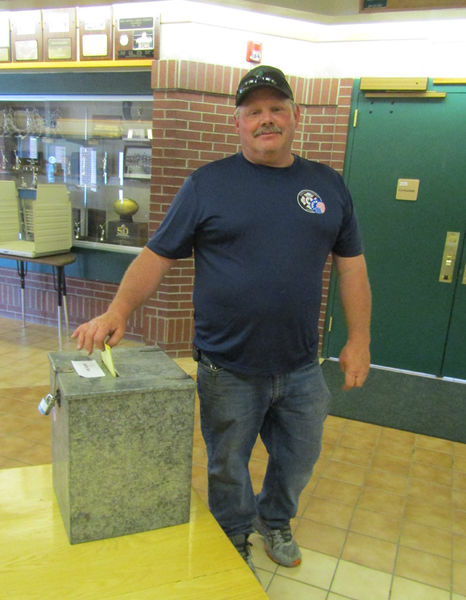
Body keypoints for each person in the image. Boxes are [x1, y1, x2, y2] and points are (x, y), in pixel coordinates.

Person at [73, 65, 371, 575]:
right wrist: (118, 309)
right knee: (227, 466)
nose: (266, 119)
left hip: (301, 366)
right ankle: (233, 537)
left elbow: (353, 268)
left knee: (298, 459)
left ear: (294, 117)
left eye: (276, 108)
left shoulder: (327, 186)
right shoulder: (207, 185)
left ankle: (275, 519)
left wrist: (359, 340)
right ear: (237, 124)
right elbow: (156, 255)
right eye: (254, 111)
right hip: (228, 367)